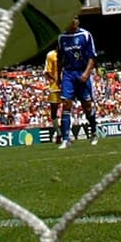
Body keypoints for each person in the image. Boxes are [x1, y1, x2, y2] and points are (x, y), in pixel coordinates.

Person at [57, 16, 100, 148]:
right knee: (66, 104)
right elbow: (59, 58)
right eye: (72, 19)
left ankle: (94, 132)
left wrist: (87, 73)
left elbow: (93, 56)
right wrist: (58, 76)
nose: (74, 21)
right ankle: (66, 139)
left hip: (82, 72)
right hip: (69, 74)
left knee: (87, 106)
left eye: (76, 19)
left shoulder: (85, 35)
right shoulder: (61, 38)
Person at [43, 46, 61, 141]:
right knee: (53, 111)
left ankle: (65, 134)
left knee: (67, 109)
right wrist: (57, 80)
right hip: (54, 87)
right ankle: (58, 133)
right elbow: (47, 71)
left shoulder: (67, 53)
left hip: (67, 85)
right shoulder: (51, 55)